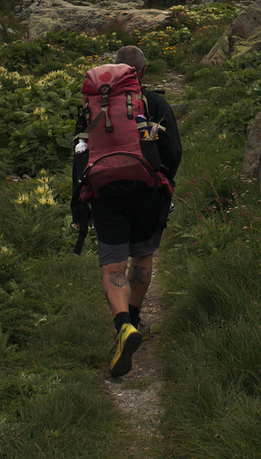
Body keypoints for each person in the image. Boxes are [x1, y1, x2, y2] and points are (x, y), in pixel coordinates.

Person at [70, 44, 181, 378]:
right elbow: (173, 151)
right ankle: (134, 319)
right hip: (147, 191)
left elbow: (80, 156)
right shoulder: (155, 103)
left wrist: (79, 207)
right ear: (140, 73)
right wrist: (165, 183)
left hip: (105, 195)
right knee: (142, 257)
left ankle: (122, 328)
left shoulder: (91, 108)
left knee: (112, 264)